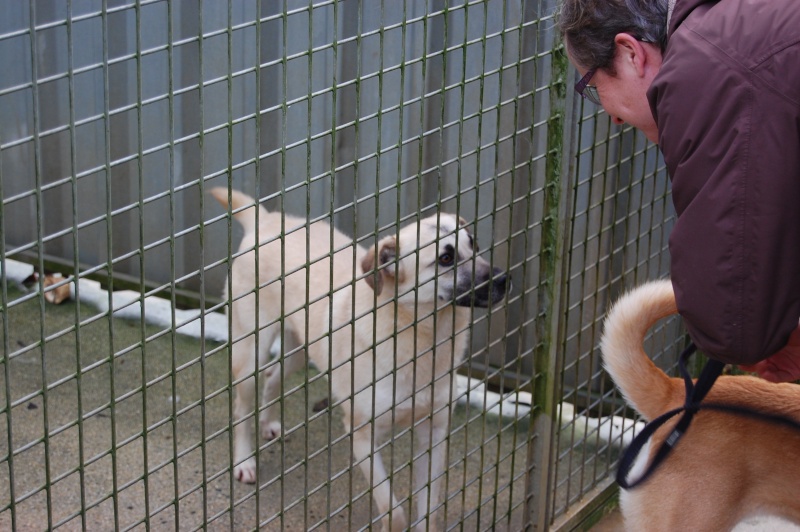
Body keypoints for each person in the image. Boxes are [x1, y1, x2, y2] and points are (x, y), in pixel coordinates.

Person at [557, 0, 800, 382]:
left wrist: (758, 338)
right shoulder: (737, 26)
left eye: (593, 87)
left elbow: (734, 320)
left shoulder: (706, 70)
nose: (614, 118)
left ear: (630, 53)